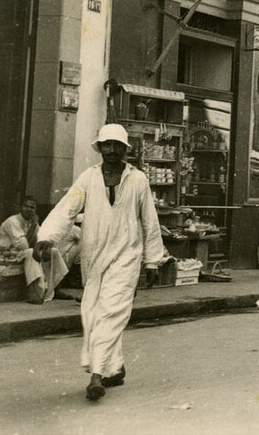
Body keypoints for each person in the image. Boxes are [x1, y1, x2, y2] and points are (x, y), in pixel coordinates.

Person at [33, 123, 164, 402]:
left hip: (127, 256)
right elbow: (67, 209)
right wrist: (46, 238)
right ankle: (113, 368)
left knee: (112, 311)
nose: (112, 150)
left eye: (117, 145)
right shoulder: (88, 178)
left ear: (125, 149)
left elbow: (149, 222)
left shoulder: (138, 179)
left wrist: (153, 261)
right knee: (93, 313)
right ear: (100, 148)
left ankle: (96, 376)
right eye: (107, 145)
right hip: (93, 257)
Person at [0, 196, 72, 303]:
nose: (29, 209)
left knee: (53, 251)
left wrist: (46, 247)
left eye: (32, 207)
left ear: (35, 210)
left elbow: (41, 239)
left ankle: (54, 288)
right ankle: (33, 291)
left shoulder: (31, 222)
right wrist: (34, 225)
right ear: (20, 208)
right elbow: (24, 245)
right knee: (31, 253)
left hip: (19, 254)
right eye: (26, 206)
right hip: (4, 255)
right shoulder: (12, 221)